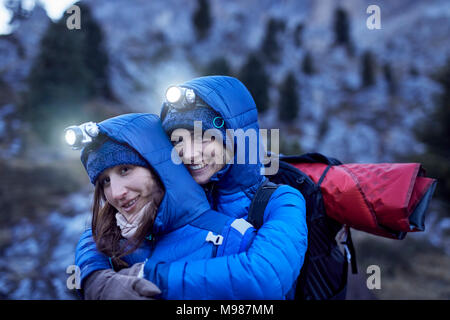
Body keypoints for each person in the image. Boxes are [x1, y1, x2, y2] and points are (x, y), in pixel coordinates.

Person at [76, 76, 308, 299]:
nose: (188, 153)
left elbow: (265, 276)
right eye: (177, 141)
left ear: (234, 135)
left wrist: (148, 277)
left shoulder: (282, 200)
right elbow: (99, 232)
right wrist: (93, 276)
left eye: (202, 137)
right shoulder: (170, 197)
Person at [74, 113, 257, 299]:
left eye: (125, 170)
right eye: (105, 181)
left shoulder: (232, 237)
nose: (116, 193)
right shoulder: (106, 241)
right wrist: (94, 280)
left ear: (158, 167)